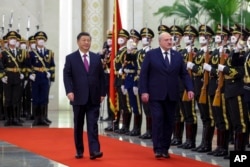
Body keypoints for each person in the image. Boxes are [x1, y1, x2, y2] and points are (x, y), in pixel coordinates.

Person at [139, 32, 194, 159]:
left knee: (169, 122)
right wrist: (144, 91)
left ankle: (165, 148)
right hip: (155, 94)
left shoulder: (177, 56)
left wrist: (190, 88)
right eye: (166, 40)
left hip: (172, 95)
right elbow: (144, 75)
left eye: (171, 39)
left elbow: (184, 74)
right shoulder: (151, 55)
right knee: (158, 119)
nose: (170, 42)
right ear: (160, 42)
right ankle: (157, 148)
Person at [63, 32, 105, 160]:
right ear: (78, 42)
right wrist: (69, 91)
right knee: (79, 125)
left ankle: (94, 151)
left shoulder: (96, 58)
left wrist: (103, 93)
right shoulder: (71, 58)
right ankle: (79, 150)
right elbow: (67, 76)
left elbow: (102, 77)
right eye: (84, 40)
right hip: (78, 97)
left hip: (94, 97)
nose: (86, 43)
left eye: (88, 40)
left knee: (93, 124)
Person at [27, 31, 55, 126]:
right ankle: (36, 118)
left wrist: (50, 73)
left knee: (44, 97)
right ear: (36, 41)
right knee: (35, 97)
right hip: (36, 77)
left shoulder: (49, 53)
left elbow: (52, 66)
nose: (41, 41)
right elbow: (28, 66)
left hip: (44, 76)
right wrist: (30, 74)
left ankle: (43, 118)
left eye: (43, 39)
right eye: (39, 39)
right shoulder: (31, 53)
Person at [0, 31, 27, 126]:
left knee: (16, 98)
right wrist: (2, 76)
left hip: (17, 77)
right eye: (11, 39)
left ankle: (16, 118)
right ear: (7, 40)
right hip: (8, 76)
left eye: (14, 39)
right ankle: (9, 119)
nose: (13, 40)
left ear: (17, 41)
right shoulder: (3, 53)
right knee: (8, 99)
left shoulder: (22, 52)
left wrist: (23, 73)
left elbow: (24, 65)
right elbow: (1, 66)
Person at [137, 27, 155, 139]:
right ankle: (148, 130)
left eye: (147, 37)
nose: (145, 39)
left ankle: (152, 130)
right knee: (146, 109)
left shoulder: (153, 52)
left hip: (150, 83)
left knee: (151, 108)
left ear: (151, 39)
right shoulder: (139, 52)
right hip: (141, 82)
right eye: (143, 37)